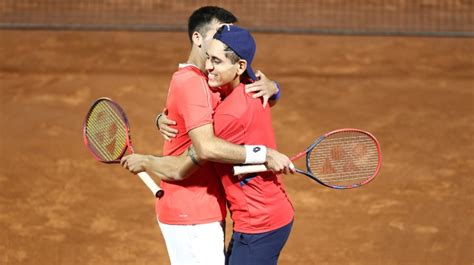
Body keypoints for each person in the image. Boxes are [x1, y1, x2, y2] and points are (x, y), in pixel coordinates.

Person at [121, 6, 293, 265]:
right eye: (217, 33)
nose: (222, 38)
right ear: (199, 39)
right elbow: (201, 150)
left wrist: (274, 87)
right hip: (192, 213)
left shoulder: (221, 85)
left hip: (222, 212)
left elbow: (252, 89)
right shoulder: (197, 83)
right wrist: (264, 153)